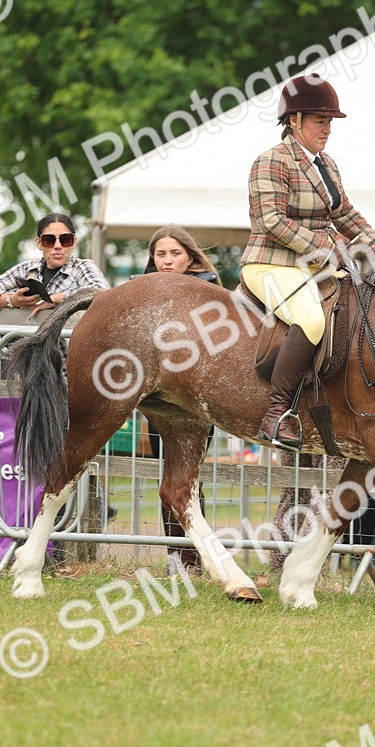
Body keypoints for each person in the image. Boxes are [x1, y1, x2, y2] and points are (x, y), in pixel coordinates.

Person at [242, 73, 375, 451]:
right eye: (319, 121)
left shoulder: (327, 164)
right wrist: (326, 248)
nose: (327, 129)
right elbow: (270, 221)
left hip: (314, 265)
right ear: (294, 121)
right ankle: (276, 414)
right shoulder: (271, 161)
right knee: (310, 319)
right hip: (271, 263)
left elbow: (344, 213)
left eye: (329, 122)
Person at [142, 225, 220, 575]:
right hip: (157, 399)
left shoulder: (211, 291)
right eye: (161, 254)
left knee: (189, 477)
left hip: (199, 400)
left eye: (174, 253)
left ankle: (194, 558)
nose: (167, 260)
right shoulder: (140, 291)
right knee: (169, 477)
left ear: (190, 257)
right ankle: (178, 558)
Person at [0, 213, 109, 315]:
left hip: (65, 351)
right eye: (49, 240)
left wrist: (55, 299)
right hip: (19, 350)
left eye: (65, 239)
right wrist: (12, 300)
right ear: (39, 243)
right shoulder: (26, 268)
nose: (57, 246)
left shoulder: (82, 267)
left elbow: (101, 292)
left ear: (74, 241)